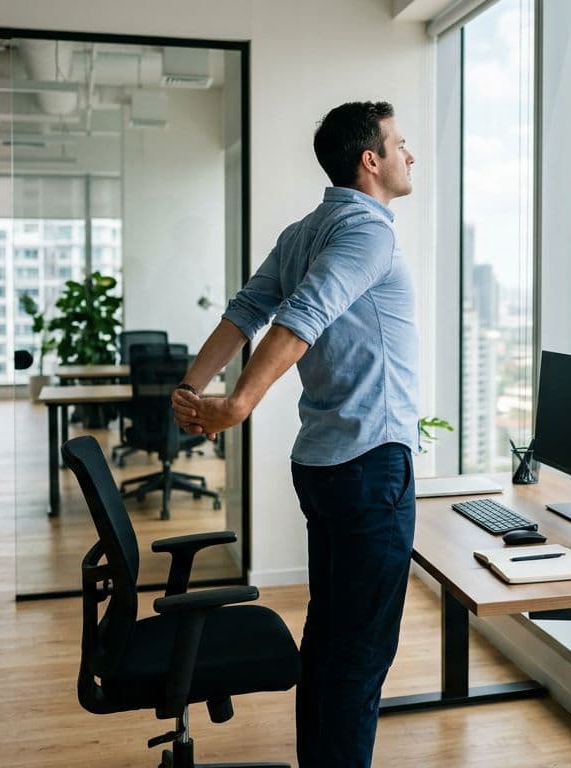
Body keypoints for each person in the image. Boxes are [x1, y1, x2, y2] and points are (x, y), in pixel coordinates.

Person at [170, 101, 418, 768]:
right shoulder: (369, 232)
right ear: (371, 160)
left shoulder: (306, 230)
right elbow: (297, 316)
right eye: (399, 144)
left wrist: (194, 385)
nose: (409, 155)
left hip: (326, 466)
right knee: (359, 654)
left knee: (333, 640)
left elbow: (249, 308)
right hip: (371, 462)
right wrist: (237, 403)